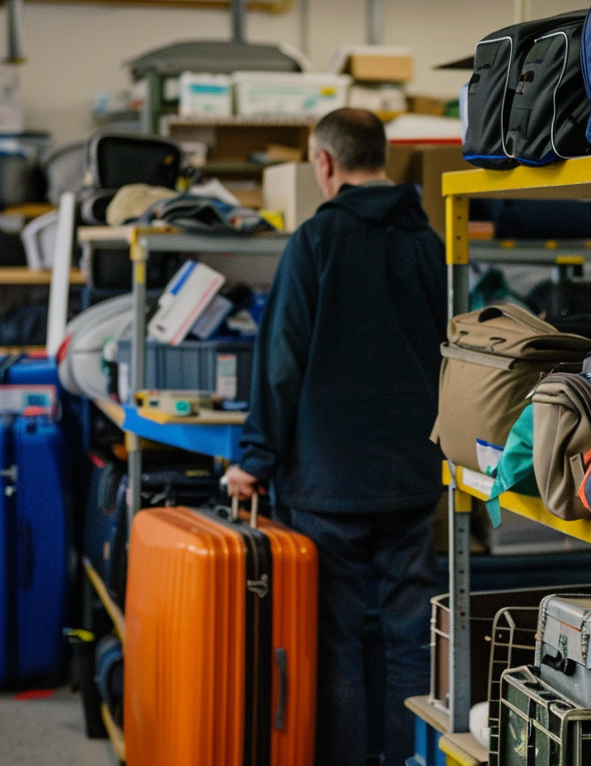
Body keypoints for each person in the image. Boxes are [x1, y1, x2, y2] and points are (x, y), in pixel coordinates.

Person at [223, 108, 447, 766]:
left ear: (324, 163)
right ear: (386, 158)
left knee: (339, 641)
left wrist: (255, 458)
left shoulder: (315, 242)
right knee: (411, 639)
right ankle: (413, 758)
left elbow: (281, 362)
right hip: (412, 474)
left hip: (329, 481)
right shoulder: (430, 243)